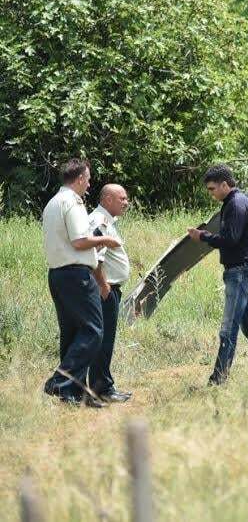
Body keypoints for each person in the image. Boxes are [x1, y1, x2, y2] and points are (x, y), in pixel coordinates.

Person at [41, 159, 121, 407]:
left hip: (57, 275)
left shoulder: (53, 203)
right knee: (93, 331)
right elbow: (79, 241)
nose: (89, 184)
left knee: (72, 332)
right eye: (87, 179)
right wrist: (105, 240)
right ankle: (59, 382)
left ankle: (72, 394)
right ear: (78, 179)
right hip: (76, 275)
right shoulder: (73, 203)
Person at [187, 164, 248, 385]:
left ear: (225, 184)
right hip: (242, 271)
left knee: (228, 329)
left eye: (212, 188)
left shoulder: (236, 204)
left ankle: (218, 381)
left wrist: (203, 236)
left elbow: (230, 239)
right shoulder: (234, 203)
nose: (211, 193)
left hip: (241, 272)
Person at [87, 184, 133, 403]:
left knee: (105, 338)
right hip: (105, 290)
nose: (126, 202)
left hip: (109, 289)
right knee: (104, 340)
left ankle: (102, 385)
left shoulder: (107, 221)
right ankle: (102, 388)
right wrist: (104, 286)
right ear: (106, 200)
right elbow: (94, 255)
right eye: (121, 198)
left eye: (126, 198)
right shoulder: (100, 222)